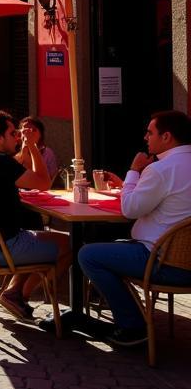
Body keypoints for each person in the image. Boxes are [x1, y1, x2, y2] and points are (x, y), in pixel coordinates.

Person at [79, 110, 191, 347]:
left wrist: (134, 171)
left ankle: (132, 326)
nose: (145, 138)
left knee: (88, 255)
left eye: (150, 132)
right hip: (184, 261)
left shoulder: (161, 169)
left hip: (162, 262)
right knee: (116, 248)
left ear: (167, 137)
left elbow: (130, 209)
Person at [0, 110, 70, 322]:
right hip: (4, 248)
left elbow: (16, 171)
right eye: (13, 133)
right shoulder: (0, 162)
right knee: (69, 244)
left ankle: (13, 294)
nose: (18, 137)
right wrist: (31, 146)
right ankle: (20, 295)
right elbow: (43, 182)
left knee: (34, 234)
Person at [17, 116, 58, 182]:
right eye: (25, 130)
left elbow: (52, 178)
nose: (28, 133)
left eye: (33, 130)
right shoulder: (14, 151)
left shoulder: (47, 153)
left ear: (40, 134)